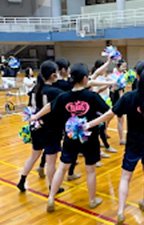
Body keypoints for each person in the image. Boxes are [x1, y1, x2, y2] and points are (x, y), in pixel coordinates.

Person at [85, 50, 144, 225]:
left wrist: (89, 125)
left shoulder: (129, 97)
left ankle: (120, 211)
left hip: (133, 144)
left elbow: (108, 115)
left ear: (135, 76)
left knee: (125, 177)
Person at [31, 63, 110, 212]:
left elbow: (49, 107)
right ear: (85, 79)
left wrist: (36, 115)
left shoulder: (63, 96)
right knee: (90, 170)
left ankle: (51, 198)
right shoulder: (92, 96)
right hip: (90, 139)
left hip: (70, 138)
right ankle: (92, 200)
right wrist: (92, 123)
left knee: (62, 168)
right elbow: (109, 112)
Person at [17, 61, 64, 194]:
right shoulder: (55, 92)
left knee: (33, 156)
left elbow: (29, 108)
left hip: (36, 128)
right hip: (51, 130)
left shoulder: (34, 89)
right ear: (54, 75)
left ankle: (22, 180)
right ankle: (52, 187)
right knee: (51, 161)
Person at [110, 59, 127, 145]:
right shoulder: (115, 76)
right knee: (120, 119)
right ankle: (122, 139)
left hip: (117, 97)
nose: (125, 68)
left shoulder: (122, 75)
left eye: (125, 66)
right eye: (123, 66)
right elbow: (117, 90)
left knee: (110, 117)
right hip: (116, 98)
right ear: (118, 67)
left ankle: (104, 132)